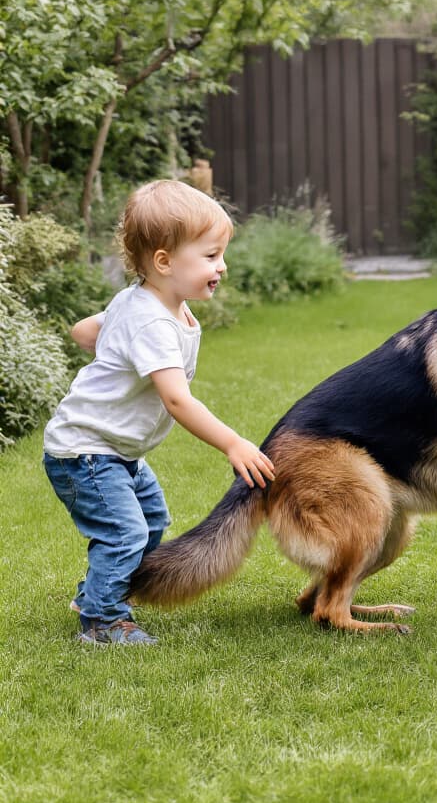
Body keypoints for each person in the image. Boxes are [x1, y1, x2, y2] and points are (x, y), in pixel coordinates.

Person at [43, 180, 275, 646]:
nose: (221, 266)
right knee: (127, 531)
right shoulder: (150, 319)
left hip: (115, 449)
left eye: (221, 254)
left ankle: (96, 592)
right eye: (210, 256)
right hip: (85, 450)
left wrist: (101, 340)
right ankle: (102, 620)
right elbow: (176, 399)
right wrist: (233, 442)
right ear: (164, 261)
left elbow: (84, 331)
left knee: (151, 520)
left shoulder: (149, 304)